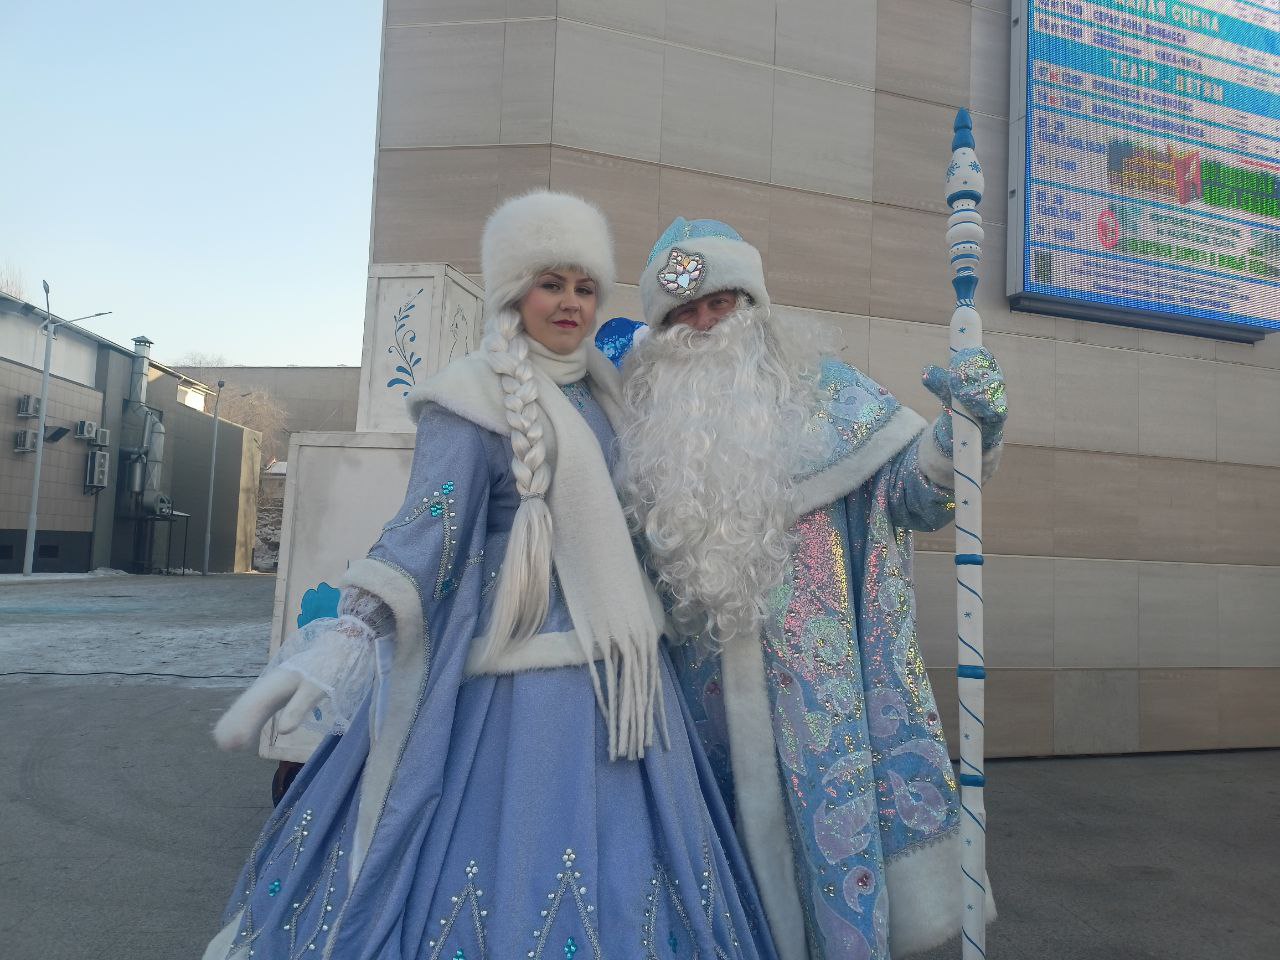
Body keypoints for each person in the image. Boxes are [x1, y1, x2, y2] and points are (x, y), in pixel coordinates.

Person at [203, 194, 778, 960]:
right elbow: (428, 529)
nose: (570, 302)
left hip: (626, 673)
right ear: (514, 290)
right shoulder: (468, 396)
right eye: (551, 284)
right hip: (509, 673)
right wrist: (348, 636)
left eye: (583, 286)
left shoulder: (609, 389)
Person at [612, 219, 1008, 960]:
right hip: (694, 731)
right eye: (683, 313)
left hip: (821, 719)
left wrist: (963, 433)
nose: (703, 324)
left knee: (831, 882)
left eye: (720, 301)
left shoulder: (830, 397)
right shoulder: (641, 431)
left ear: (754, 304)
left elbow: (912, 497)